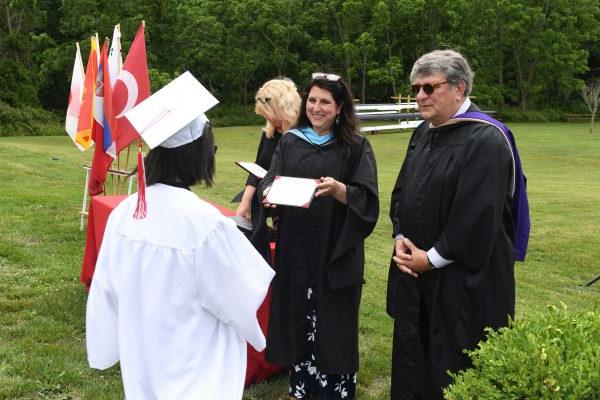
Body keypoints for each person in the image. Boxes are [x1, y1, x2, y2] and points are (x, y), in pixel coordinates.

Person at [86, 73, 275, 400]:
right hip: (195, 368)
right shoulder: (205, 224)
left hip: (144, 360)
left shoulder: (123, 214)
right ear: (197, 153)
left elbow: (106, 291)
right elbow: (239, 300)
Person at [387, 49, 530, 399]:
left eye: (429, 88)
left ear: (459, 88)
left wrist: (430, 259)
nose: (419, 96)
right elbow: (402, 191)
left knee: (452, 367)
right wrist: (400, 235)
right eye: (416, 87)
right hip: (416, 275)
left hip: (462, 281)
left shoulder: (486, 139)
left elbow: (476, 217)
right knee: (414, 360)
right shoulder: (423, 132)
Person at [257, 73, 379, 399]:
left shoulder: (355, 147)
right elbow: (269, 182)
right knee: (300, 317)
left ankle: (334, 391)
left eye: (325, 101)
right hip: (297, 250)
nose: (316, 107)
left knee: (333, 324)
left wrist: (340, 190)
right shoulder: (291, 140)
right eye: (312, 100)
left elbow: (367, 200)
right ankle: (301, 388)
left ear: (340, 107)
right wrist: (267, 196)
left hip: (334, 251)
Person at [235, 78, 301, 231]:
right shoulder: (269, 133)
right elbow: (257, 168)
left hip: (291, 209)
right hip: (263, 198)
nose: (268, 119)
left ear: (285, 109)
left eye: (270, 114)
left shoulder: (303, 136)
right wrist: (245, 204)